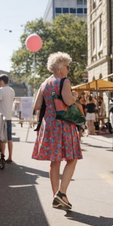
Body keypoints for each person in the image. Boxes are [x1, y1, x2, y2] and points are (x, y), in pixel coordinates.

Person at [32, 52, 82, 210]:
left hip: (49, 125)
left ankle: (56, 196)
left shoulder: (45, 83)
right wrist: (74, 96)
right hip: (64, 125)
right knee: (72, 158)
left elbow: (37, 106)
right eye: (67, 66)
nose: (68, 69)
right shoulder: (64, 81)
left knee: (55, 162)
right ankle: (62, 193)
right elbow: (68, 101)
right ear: (60, 68)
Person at [0, 74, 15, 163]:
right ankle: (10, 157)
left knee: (2, 138)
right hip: (9, 117)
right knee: (9, 138)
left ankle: (2, 157)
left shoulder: (1, 90)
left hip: (1, 117)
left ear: (2, 81)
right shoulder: (12, 90)